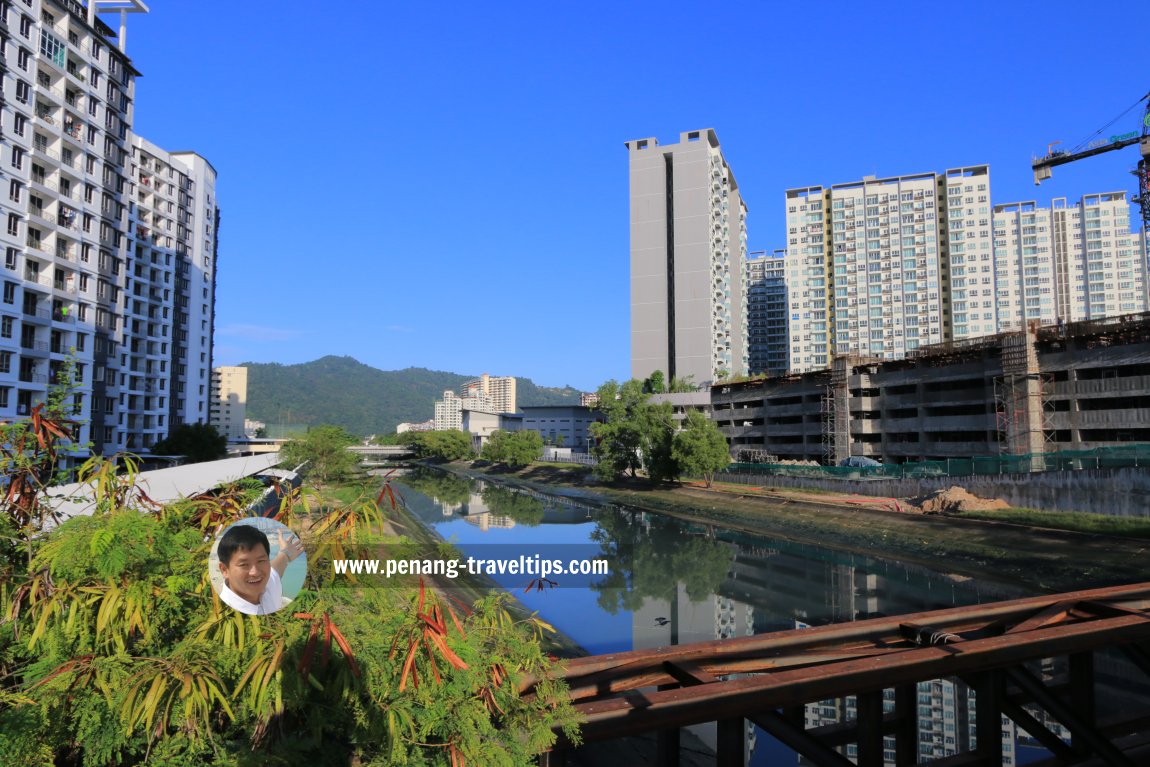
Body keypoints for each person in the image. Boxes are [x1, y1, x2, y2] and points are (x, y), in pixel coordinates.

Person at [216, 524, 304, 615]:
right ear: (224, 570)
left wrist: (286, 553)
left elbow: (276, 567)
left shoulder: (268, 585)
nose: (255, 572)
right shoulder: (224, 613)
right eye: (244, 564)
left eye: (261, 561)